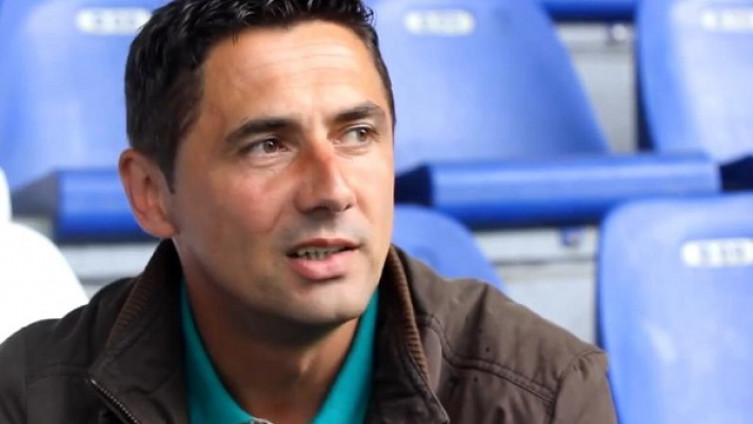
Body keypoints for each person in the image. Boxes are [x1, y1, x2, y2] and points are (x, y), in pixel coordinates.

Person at [0, 0, 617, 422]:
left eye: (358, 135)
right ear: (151, 193)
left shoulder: (537, 393)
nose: (332, 189)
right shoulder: (32, 398)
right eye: (268, 145)